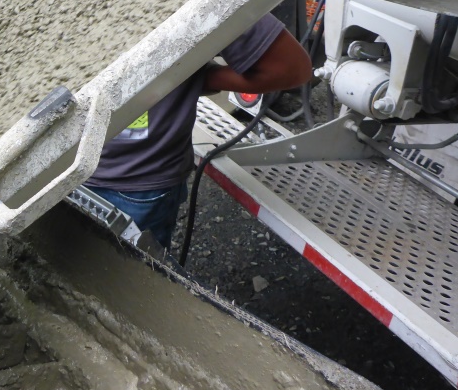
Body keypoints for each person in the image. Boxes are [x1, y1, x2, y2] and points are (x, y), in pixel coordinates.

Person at [84, 13, 313, 249]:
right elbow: (289, 67)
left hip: (132, 184)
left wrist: (202, 77)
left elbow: (290, 67)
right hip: (119, 180)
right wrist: (202, 78)